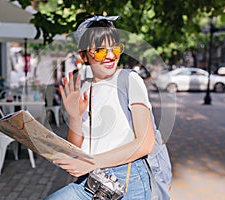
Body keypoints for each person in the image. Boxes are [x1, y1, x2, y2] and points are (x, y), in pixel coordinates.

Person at [44, 15, 156, 200]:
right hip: (91, 179)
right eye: (100, 50)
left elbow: (146, 143)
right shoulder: (85, 87)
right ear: (83, 55)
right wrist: (74, 116)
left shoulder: (129, 79)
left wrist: (91, 163)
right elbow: (74, 148)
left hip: (128, 180)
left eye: (115, 48)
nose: (111, 56)